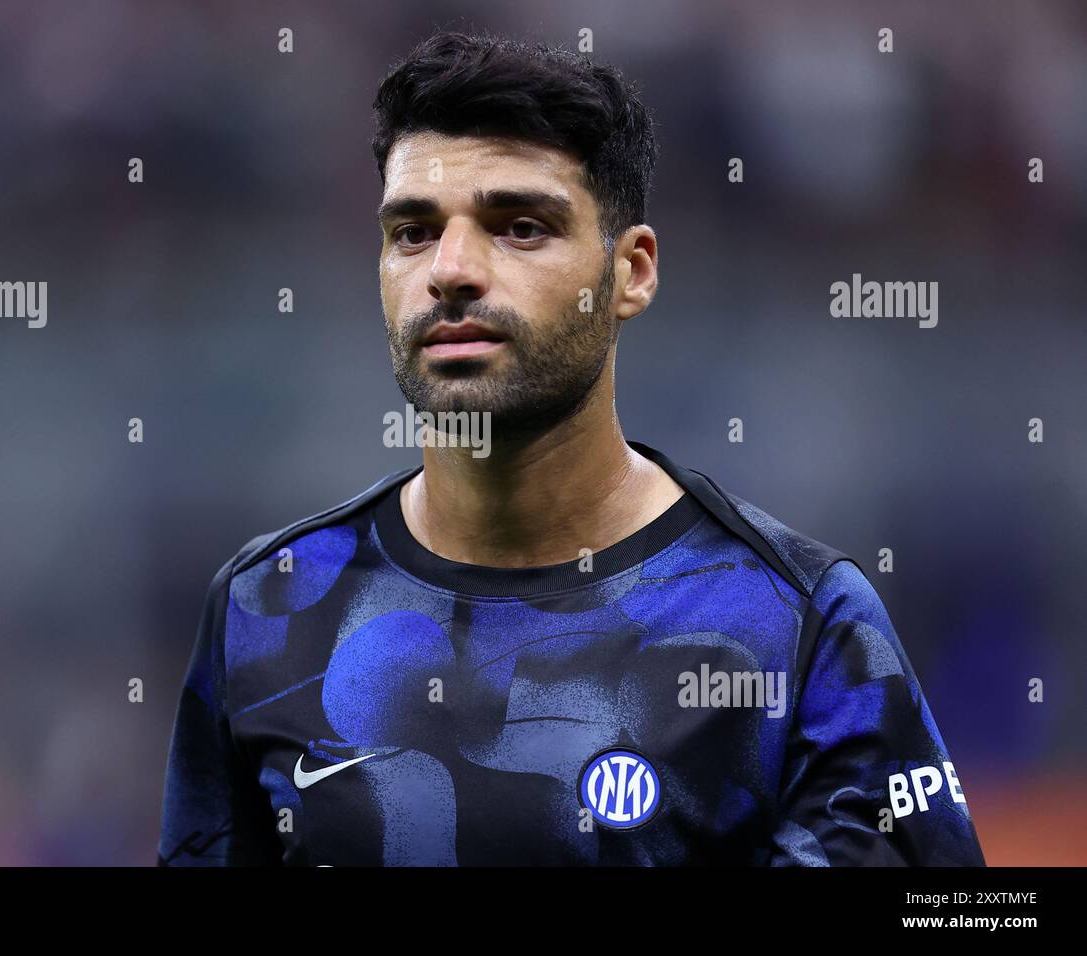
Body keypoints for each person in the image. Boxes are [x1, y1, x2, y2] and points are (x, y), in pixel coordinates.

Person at [157, 31, 985, 866]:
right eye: (412, 231)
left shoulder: (798, 627)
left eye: (519, 226)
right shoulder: (266, 611)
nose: (450, 270)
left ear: (631, 272)